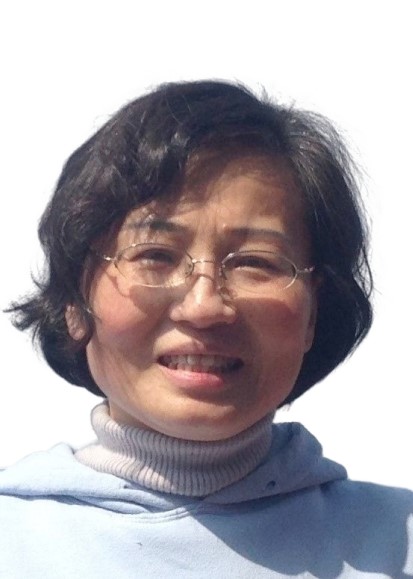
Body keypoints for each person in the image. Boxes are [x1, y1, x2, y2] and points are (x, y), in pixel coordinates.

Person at [0, 80, 412, 578]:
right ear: (73, 301)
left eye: (256, 263)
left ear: (314, 312)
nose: (204, 307)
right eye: (155, 256)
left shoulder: (395, 545)